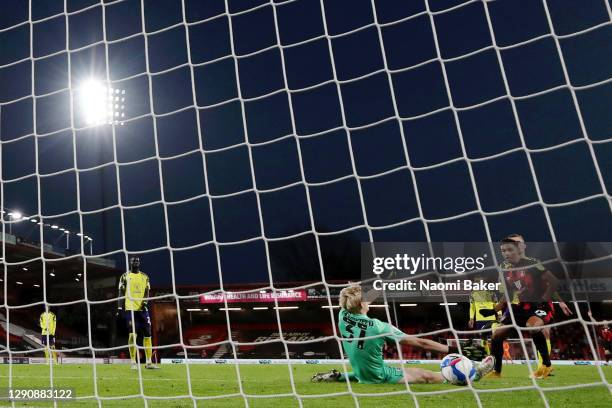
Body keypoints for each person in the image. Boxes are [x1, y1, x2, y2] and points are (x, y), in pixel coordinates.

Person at [311, 285, 494, 384]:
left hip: (361, 373)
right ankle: (474, 374)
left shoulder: (343, 315)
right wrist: (456, 348)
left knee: (364, 372)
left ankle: (339, 376)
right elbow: (420, 344)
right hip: (379, 376)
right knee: (426, 376)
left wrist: (381, 286)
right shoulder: (379, 326)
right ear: (362, 304)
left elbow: (359, 300)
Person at [480, 237, 559, 379]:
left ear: (518, 249)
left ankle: (546, 366)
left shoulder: (533, 264)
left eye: (510, 250)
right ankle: (496, 371)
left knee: (532, 326)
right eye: (503, 251)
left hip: (539, 306)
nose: (506, 253)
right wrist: (494, 310)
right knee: (497, 334)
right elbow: (508, 295)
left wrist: (542, 301)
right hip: (519, 307)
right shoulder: (504, 268)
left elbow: (554, 282)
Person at [118, 256, 158, 369]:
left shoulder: (145, 277)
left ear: (139, 263)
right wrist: (119, 308)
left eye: (137, 261)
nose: (135, 262)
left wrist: (145, 302)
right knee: (132, 335)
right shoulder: (125, 276)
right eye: (133, 261)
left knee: (148, 334)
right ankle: (133, 362)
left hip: (143, 310)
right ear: (130, 263)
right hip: (130, 309)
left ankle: (149, 362)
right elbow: (121, 293)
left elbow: (147, 291)